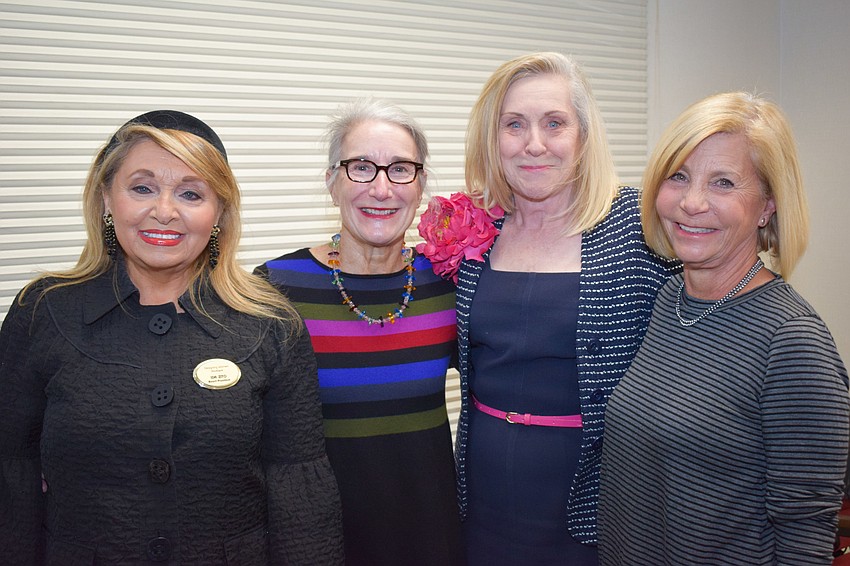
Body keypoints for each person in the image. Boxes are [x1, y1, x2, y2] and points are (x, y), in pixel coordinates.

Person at [0, 110, 344, 565]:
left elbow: (299, 489)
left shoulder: (271, 324)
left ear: (219, 210)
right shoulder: (43, 311)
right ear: (106, 197)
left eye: (190, 193)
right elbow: (12, 473)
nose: (164, 211)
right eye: (142, 187)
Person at [422, 51, 678, 564]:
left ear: (584, 135)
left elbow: (712, 311)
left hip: (597, 494)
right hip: (483, 489)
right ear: (491, 139)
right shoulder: (476, 228)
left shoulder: (639, 224)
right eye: (513, 124)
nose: (533, 143)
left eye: (554, 123)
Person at [597, 92, 850, 565]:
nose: (692, 203)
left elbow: (806, 534)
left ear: (767, 207)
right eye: (679, 177)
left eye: (724, 183)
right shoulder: (670, 299)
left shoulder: (792, 342)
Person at [255, 98, 463, 566]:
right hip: (316, 539)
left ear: (421, 184)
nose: (382, 188)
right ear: (332, 181)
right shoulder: (276, 287)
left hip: (431, 533)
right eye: (362, 167)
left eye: (401, 169)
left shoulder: (447, 283)